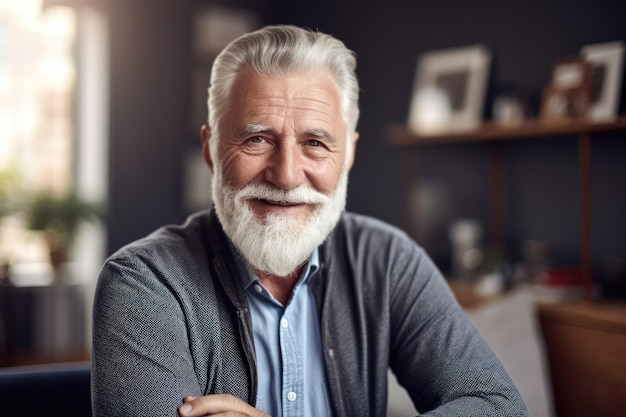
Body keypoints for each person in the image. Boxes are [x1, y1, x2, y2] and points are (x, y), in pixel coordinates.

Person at [91, 24, 528, 417]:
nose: (285, 175)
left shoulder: (388, 260)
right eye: (257, 138)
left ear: (350, 153)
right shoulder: (144, 282)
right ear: (210, 149)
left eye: (315, 142)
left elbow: (498, 406)